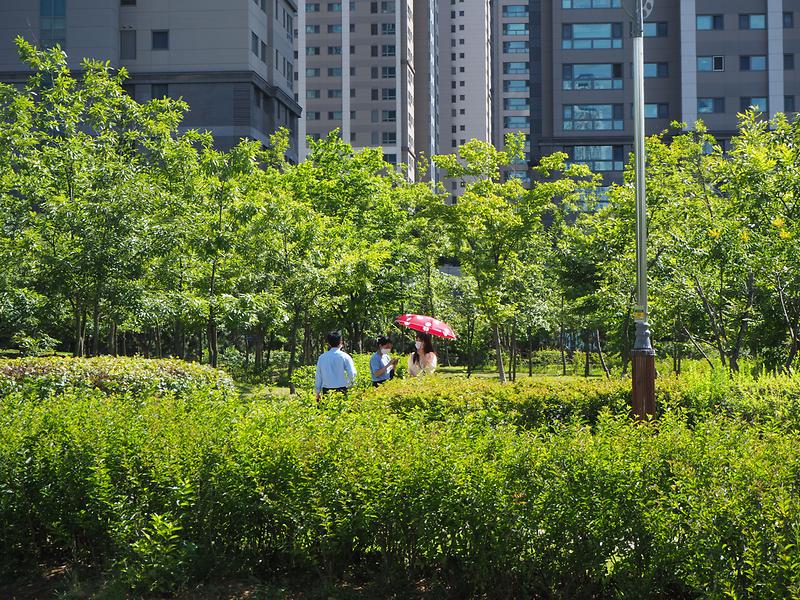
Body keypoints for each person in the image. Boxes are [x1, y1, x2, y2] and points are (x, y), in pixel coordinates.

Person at [314, 330, 356, 402]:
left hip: (327, 391)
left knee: (328, 411)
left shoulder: (322, 357)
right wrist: (350, 386)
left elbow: (318, 376)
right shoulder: (345, 356)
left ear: (328, 343)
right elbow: (352, 373)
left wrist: (317, 392)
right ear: (340, 342)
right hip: (342, 389)